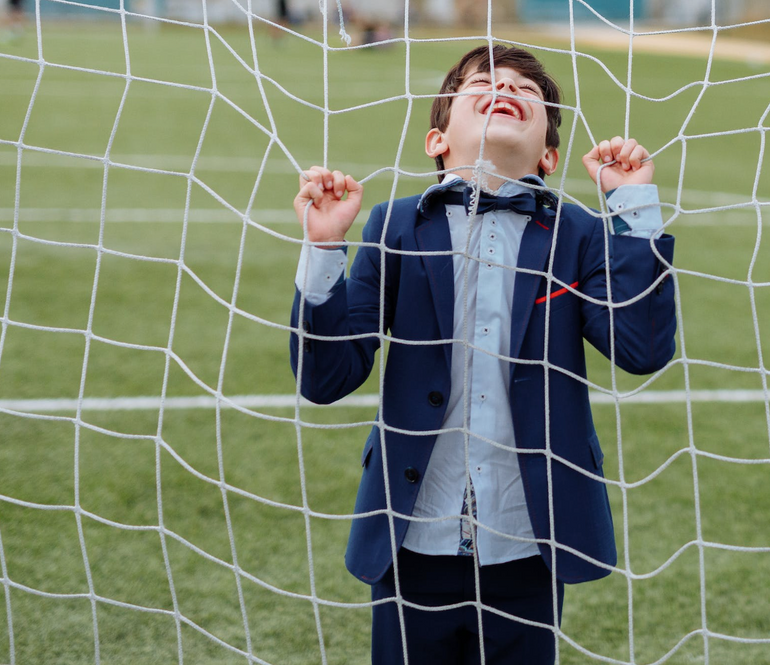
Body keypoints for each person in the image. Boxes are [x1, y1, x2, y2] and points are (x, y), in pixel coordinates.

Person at [289, 44, 676, 664]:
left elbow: (642, 348)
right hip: (411, 530)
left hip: (530, 534)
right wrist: (324, 250)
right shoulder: (393, 226)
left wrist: (631, 208)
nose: (507, 89)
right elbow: (325, 376)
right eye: (485, 82)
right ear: (436, 141)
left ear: (550, 154)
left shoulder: (578, 233)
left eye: (528, 89)